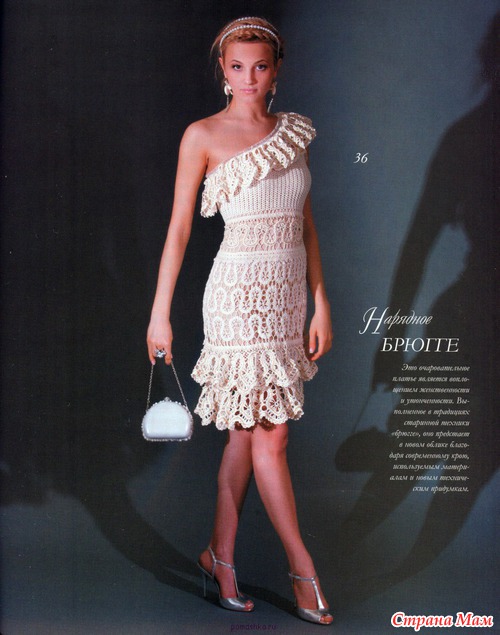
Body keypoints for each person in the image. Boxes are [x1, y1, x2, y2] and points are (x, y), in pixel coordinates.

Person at [146, 16, 333, 625]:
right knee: (270, 437)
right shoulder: (202, 135)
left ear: (275, 72)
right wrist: (159, 315)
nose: (248, 78)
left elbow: (305, 226)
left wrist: (321, 301)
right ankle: (303, 570)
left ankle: (219, 556)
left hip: (286, 301)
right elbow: (178, 230)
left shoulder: (294, 133)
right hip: (236, 298)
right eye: (236, 67)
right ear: (223, 73)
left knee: (246, 438)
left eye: (260, 66)